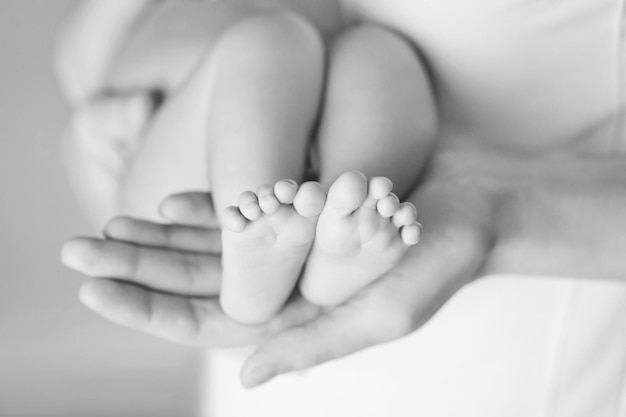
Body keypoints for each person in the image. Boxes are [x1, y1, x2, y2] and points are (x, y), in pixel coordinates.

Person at [59, 0, 626, 415]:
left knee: (369, 57)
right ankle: (284, 247)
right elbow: (84, 50)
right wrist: (98, 113)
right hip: (191, 129)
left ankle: (316, 239)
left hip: (303, 88)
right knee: (283, 47)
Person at [59, 0, 432, 325]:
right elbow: (78, 62)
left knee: (379, 51)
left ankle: (340, 238)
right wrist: (93, 119)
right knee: (269, 40)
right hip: (182, 153)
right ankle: (256, 244)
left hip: (316, 125)